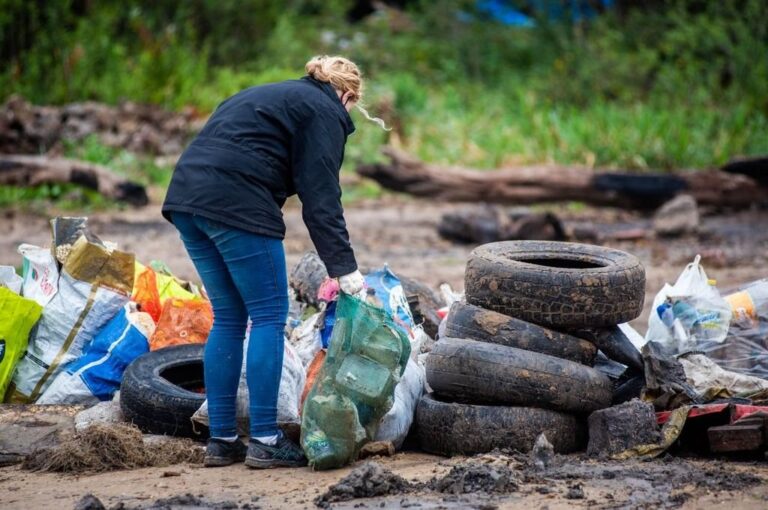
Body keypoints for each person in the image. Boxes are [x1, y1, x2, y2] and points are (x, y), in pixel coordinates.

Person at [162, 55, 384, 469]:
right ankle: (265, 438)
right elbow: (321, 201)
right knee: (268, 315)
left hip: (186, 198)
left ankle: (223, 440)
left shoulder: (269, 95)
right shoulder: (325, 110)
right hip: (236, 202)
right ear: (348, 96)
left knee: (229, 317)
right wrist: (347, 273)